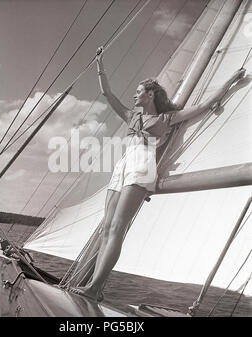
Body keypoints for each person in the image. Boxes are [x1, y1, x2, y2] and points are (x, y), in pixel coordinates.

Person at [70, 46, 246, 301]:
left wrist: (231, 80)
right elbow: (106, 93)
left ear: (150, 94)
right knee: (106, 228)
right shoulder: (132, 116)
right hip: (122, 167)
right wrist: (100, 65)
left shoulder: (167, 118)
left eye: (139, 91)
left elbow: (205, 105)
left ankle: (95, 286)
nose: (134, 95)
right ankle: (95, 289)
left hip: (141, 167)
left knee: (118, 227)